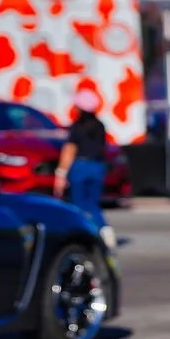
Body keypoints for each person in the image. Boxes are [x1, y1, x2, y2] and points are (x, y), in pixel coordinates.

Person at [54, 82, 111, 243]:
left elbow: (69, 150)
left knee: (78, 205)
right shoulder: (100, 126)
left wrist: (61, 173)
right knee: (93, 203)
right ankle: (103, 230)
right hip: (98, 166)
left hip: (80, 166)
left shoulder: (76, 127)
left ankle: (85, 235)